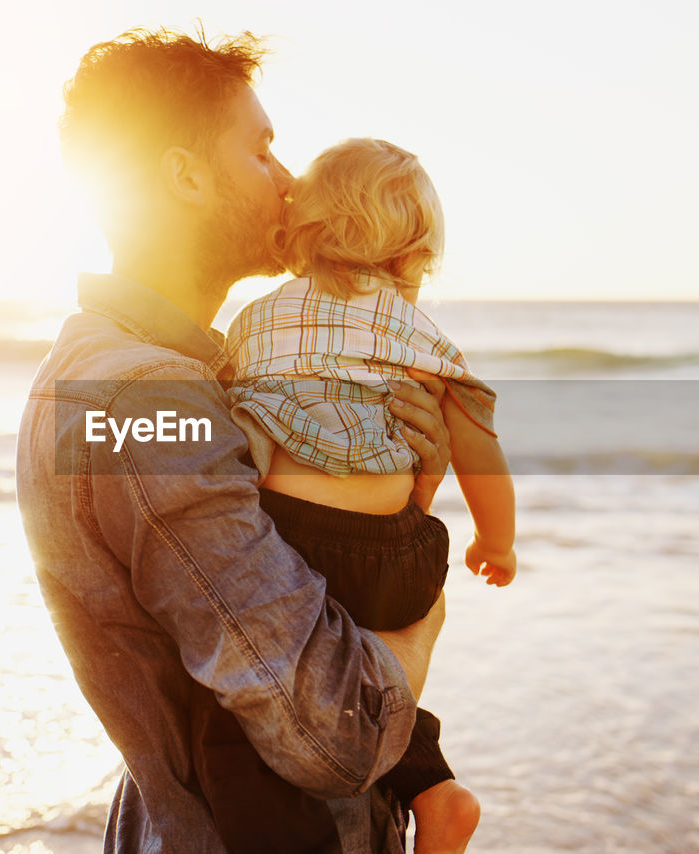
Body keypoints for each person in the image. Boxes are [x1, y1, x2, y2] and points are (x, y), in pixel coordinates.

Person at [17, 28, 455, 852]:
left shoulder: (155, 371)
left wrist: (403, 491)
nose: (290, 184)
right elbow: (333, 732)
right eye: (261, 152)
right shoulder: (139, 393)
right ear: (184, 176)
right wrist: (418, 628)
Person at [193, 138, 517, 854]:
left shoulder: (256, 320)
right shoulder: (418, 331)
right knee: (363, 668)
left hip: (298, 545)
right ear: (414, 257)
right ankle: (435, 791)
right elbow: (477, 441)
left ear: (298, 233)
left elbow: (227, 419)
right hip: (407, 555)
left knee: (237, 723)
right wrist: (496, 541)